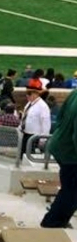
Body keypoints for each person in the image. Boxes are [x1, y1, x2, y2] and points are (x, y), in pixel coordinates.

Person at [41, 88, 77, 228]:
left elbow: (61, 117)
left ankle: (56, 220)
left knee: (69, 188)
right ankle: (53, 222)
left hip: (60, 144)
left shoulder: (74, 92)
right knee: (72, 191)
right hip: (70, 152)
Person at [20, 81, 51, 157]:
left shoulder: (42, 106)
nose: (27, 96)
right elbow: (25, 117)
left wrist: (43, 139)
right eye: (27, 94)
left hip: (35, 137)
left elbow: (46, 123)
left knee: (31, 156)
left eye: (29, 94)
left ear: (36, 94)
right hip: (25, 134)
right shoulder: (29, 104)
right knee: (22, 155)